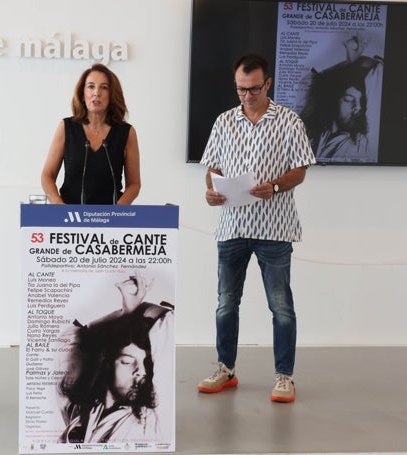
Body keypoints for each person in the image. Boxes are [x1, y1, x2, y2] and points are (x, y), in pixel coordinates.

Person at [197, 54, 315, 403]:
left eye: (252, 89)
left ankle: (285, 377)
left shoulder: (290, 122)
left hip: (275, 229)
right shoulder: (223, 122)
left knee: (281, 306)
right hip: (232, 226)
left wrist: (276, 186)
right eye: (240, 89)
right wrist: (213, 190)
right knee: (225, 304)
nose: (246, 96)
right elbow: (212, 167)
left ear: (267, 84)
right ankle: (226, 368)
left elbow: (301, 169)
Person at [57, 273, 173, 443]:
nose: (141, 372)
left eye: (146, 365)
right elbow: (72, 338)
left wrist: (131, 313)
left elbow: (169, 321)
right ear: (105, 363)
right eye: (127, 361)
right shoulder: (79, 411)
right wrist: (125, 313)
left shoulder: (148, 420)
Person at [41, 63, 141, 205]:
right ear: (82, 93)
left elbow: (134, 184)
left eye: (104, 87)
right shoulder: (66, 127)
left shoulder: (127, 133)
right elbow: (47, 175)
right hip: (69, 218)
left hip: (111, 221)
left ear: (112, 94)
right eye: (91, 86)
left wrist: (117, 212)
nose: (96, 93)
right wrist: (59, 206)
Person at [301, 34, 383, 163]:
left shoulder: (360, 143)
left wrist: (352, 61)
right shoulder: (316, 134)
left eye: (361, 101)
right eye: (349, 99)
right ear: (333, 101)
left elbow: (379, 68)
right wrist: (349, 62)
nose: (358, 107)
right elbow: (310, 80)